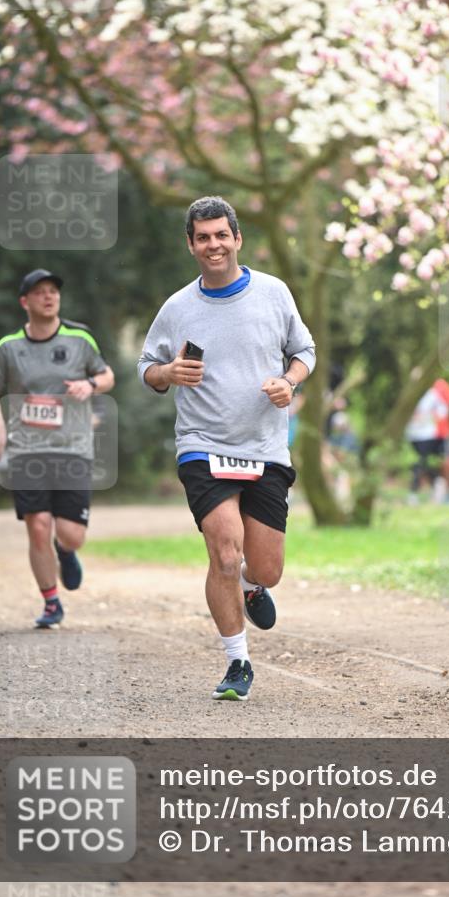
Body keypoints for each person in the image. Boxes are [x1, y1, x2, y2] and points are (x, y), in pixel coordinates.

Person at [138, 196, 315, 702]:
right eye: (202, 237)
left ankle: (252, 586)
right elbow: (146, 368)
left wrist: (289, 381)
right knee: (223, 547)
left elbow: (303, 351)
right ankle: (237, 661)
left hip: (264, 447)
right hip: (203, 444)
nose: (213, 244)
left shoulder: (273, 293)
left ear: (237, 239)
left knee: (265, 569)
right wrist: (167, 373)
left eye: (221, 234)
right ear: (191, 244)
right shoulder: (177, 308)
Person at [0, 269, 115, 628]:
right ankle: (51, 602)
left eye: (53, 290)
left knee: (71, 534)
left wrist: (90, 385)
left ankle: (66, 550)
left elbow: (107, 376)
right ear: (25, 302)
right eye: (40, 292)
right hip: (27, 451)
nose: (49, 296)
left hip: (72, 449)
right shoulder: (8, 348)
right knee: (38, 525)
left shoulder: (80, 339)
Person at [405, 378, 449, 504]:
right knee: (423, 464)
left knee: (430, 463)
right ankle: (416, 493)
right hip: (426, 436)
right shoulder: (436, 396)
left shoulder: (433, 396)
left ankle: (438, 489)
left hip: (427, 436)